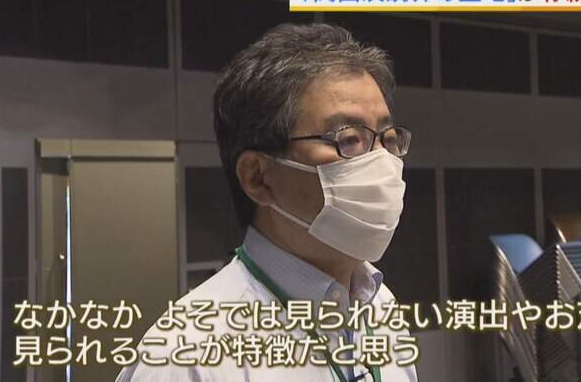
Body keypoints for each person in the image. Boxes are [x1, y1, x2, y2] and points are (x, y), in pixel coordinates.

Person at [116, 23, 417, 381]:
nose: (383, 161)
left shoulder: (379, 307)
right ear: (258, 177)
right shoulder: (186, 357)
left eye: (388, 138)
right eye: (349, 139)